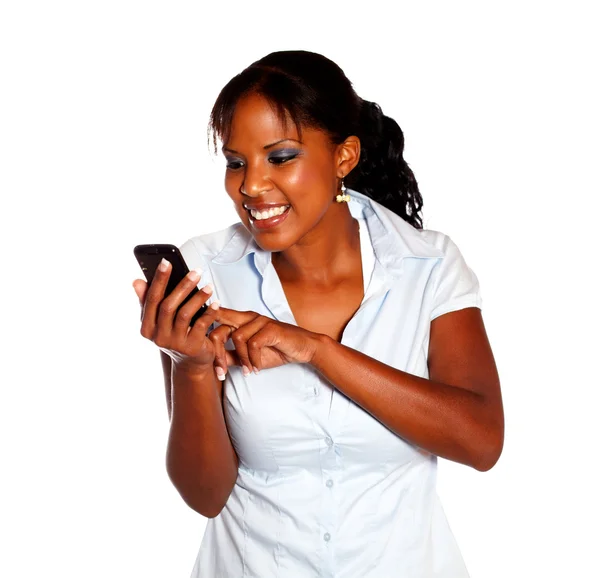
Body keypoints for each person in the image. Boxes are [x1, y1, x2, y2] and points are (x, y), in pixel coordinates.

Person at [133, 50, 504, 578]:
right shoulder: (206, 272)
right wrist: (190, 367)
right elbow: (205, 495)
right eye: (236, 162)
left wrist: (317, 350)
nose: (251, 186)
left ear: (344, 157)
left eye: (280, 157)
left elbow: (482, 440)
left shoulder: (427, 265)